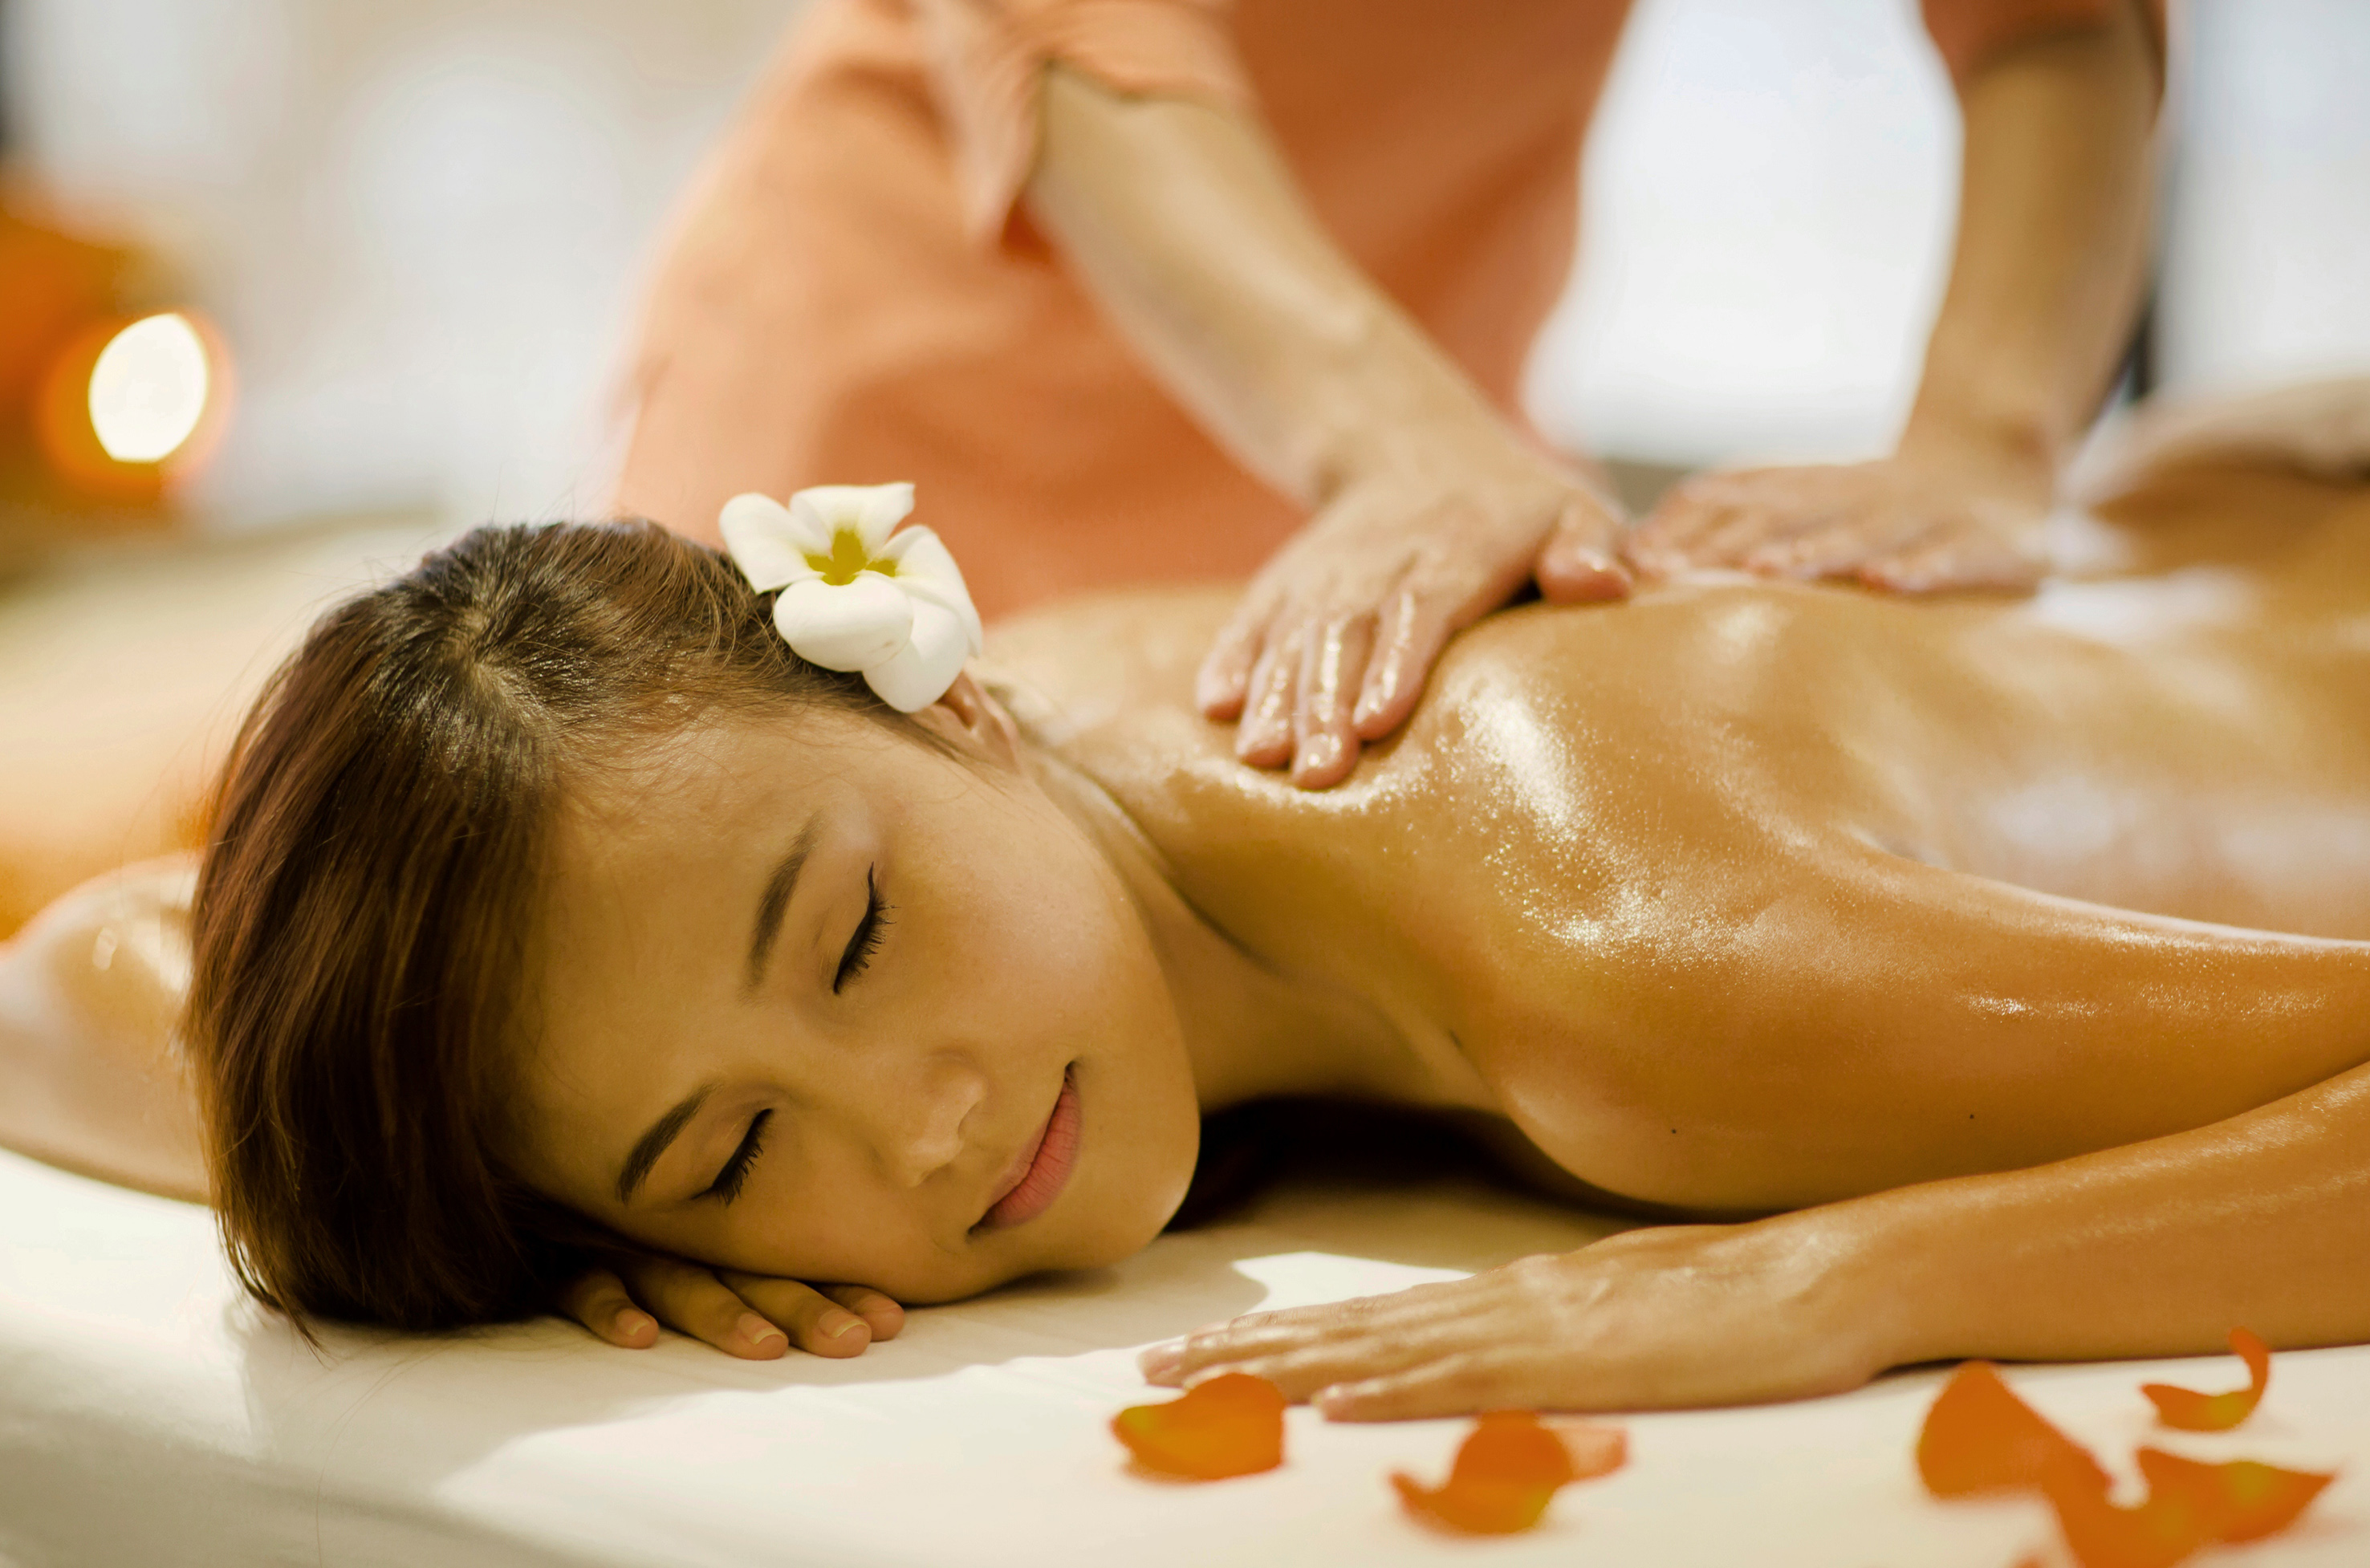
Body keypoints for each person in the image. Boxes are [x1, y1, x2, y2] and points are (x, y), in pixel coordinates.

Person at [33, 422, 2340, 1420]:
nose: (917, 1131)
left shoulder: (1634, 970)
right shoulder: (870, 741)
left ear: (963, 709)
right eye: (730, 1156)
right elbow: (63, 981)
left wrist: (1848, 1282)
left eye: (843, 947)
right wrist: (511, 1195)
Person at [614, 0, 2165, 788]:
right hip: (907, 410)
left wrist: (1988, 438)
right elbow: (1070, 29)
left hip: (1411, 478)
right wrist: (1396, 446)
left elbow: (2049, 20)